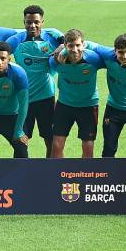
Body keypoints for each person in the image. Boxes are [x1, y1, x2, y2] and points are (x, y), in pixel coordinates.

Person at [3, 5, 63, 157]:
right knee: (21, 139)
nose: (32, 25)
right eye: (29, 22)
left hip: (46, 97)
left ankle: (49, 170)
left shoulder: (52, 37)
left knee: (50, 138)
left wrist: (62, 46)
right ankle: (23, 171)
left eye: (36, 22)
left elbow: (74, 42)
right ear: (24, 22)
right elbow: (2, 52)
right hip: (23, 99)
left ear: (43, 22)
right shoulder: (17, 40)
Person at [49, 28, 106, 159]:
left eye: (78, 45)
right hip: (64, 105)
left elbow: (112, 61)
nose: (75, 50)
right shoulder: (56, 61)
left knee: (88, 146)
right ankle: (57, 176)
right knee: (57, 145)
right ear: (65, 46)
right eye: (70, 46)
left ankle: (85, 177)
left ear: (83, 44)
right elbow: (49, 63)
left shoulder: (94, 59)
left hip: (88, 106)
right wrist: (57, 52)